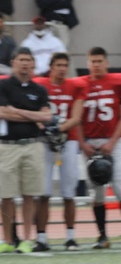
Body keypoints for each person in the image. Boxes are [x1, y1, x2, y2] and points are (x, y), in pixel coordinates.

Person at [74, 47, 121, 249]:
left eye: (100, 61)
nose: (96, 65)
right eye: (93, 61)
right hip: (90, 142)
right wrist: (82, 143)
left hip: (114, 141)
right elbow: (76, 118)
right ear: (87, 64)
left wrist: (112, 141)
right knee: (97, 193)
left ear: (107, 63)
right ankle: (102, 236)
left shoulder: (119, 82)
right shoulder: (80, 85)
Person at [0, 48, 51, 254]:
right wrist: (32, 115)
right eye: (21, 60)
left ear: (33, 64)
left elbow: (47, 117)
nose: (24, 64)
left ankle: (27, 239)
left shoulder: (39, 90)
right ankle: (8, 239)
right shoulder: (3, 85)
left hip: (32, 144)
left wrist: (16, 111)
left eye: (28, 60)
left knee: (29, 194)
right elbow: (2, 112)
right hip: (7, 145)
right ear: (13, 62)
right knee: (6, 195)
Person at [33, 51, 83, 251]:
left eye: (65, 65)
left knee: (69, 192)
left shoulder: (75, 86)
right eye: (59, 65)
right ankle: (42, 238)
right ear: (51, 67)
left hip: (67, 141)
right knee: (42, 192)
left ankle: (70, 237)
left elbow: (77, 117)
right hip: (44, 141)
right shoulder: (40, 85)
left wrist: (59, 129)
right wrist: (44, 128)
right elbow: (33, 112)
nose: (62, 69)